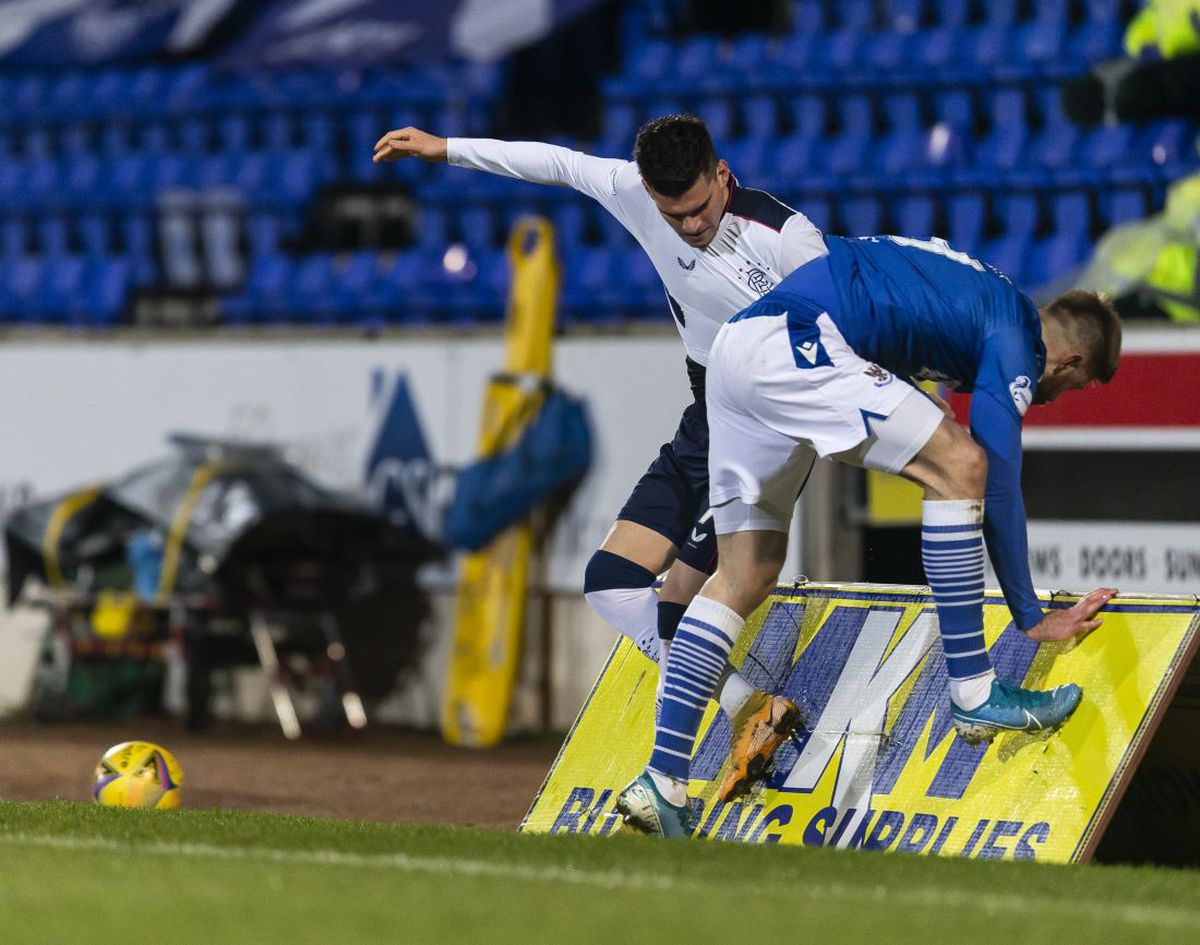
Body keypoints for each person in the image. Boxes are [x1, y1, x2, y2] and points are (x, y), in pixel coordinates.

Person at [373, 116, 826, 799]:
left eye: (701, 208)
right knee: (611, 582)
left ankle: (712, 745)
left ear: (723, 174)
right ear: (650, 193)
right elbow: (555, 161)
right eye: (675, 215)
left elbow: (850, 318)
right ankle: (749, 707)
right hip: (706, 416)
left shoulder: (786, 237)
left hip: (767, 424)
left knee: (681, 602)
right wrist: (448, 150)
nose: (693, 226)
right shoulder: (635, 195)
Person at [616, 234, 1122, 837]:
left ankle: (662, 783)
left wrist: (924, 402)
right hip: (798, 342)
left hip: (737, 351)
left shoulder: (978, 297)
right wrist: (1028, 612)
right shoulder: (1017, 337)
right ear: (1069, 361)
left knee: (742, 573)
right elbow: (1000, 478)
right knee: (964, 466)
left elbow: (879, 297)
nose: (1061, 397)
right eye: (1079, 386)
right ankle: (975, 690)